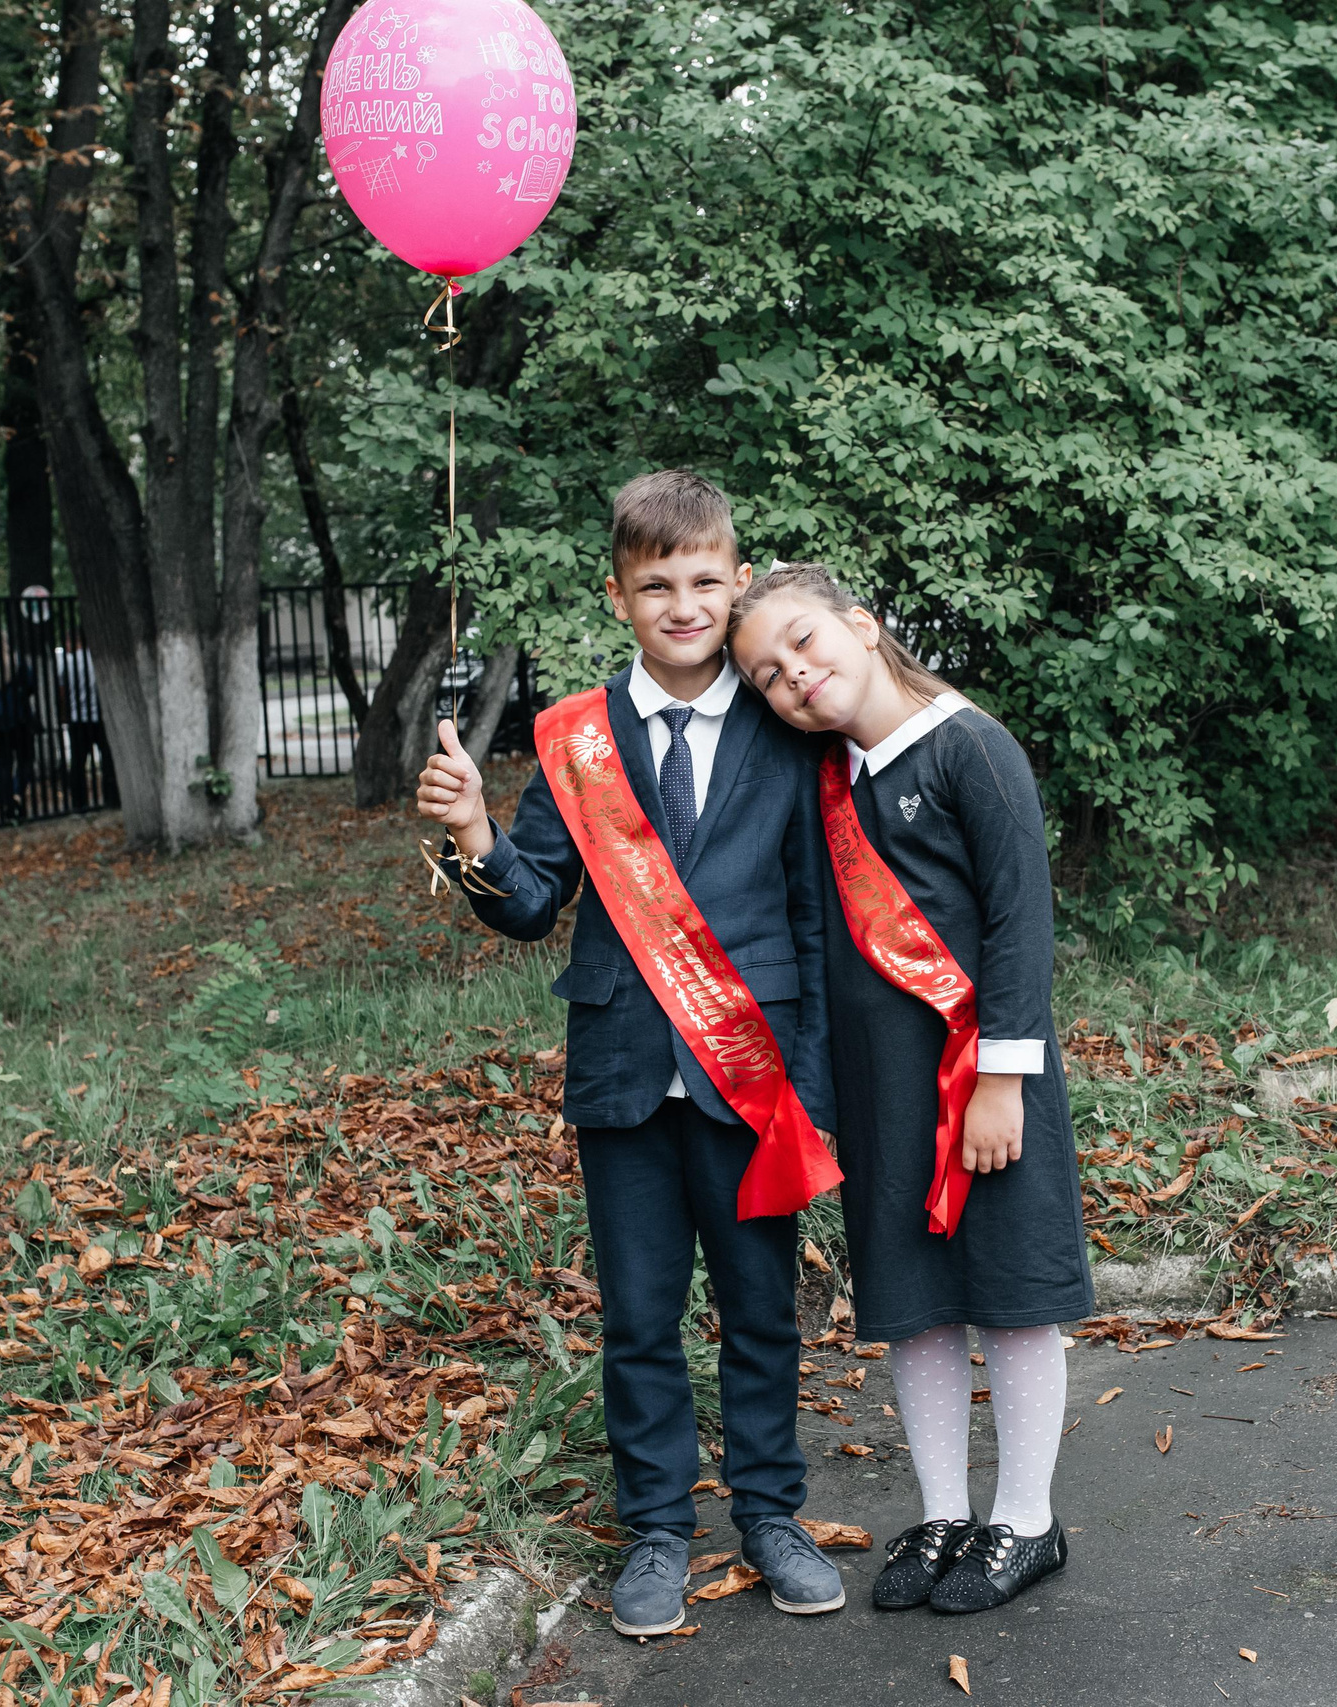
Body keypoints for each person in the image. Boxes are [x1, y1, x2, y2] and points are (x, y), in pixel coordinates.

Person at [414, 472, 846, 1639]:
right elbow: (530, 900)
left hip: (749, 1071)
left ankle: (769, 1513)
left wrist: (809, 1089)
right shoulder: (574, 735)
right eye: (656, 585)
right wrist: (472, 836)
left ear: (738, 582)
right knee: (640, 1317)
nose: (683, 603)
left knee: (761, 1311)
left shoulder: (783, 728)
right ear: (619, 597)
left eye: (705, 581)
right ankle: (657, 1526)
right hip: (621, 1081)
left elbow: (813, 915)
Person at [727, 562, 1094, 1616]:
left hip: (985, 1088)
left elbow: (1021, 927)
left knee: (1013, 1298)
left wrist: (1002, 1082)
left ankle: (1025, 1520)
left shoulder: (972, 747)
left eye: (802, 643)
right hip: (881, 1092)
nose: (793, 675)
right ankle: (942, 1515)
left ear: (861, 622)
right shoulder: (828, 774)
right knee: (917, 1305)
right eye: (764, 676)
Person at [0, 630, 39, 825]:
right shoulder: (16, 662)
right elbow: (31, 685)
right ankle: (17, 794)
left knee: (4, 764)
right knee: (26, 760)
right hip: (18, 719)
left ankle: (7, 806)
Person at [52, 632, 115, 811]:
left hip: (78, 718)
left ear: (74, 640)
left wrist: (65, 713)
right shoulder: (98, 659)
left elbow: (62, 690)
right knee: (107, 759)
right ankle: (112, 797)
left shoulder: (69, 662)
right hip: (100, 718)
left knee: (78, 763)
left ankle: (79, 803)